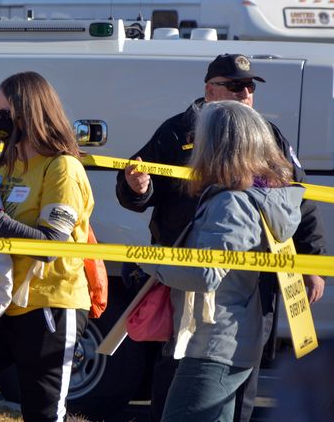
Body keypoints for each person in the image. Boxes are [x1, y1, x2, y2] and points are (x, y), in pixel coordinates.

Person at [116, 53, 327, 421]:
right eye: (235, 86)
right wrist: (138, 189)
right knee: (176, 380)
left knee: (227, 395)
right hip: (194, 296)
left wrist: (311, 260)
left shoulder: (264, 137)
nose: (245, 92)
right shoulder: (177, 131)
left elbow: (298, 198)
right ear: (210, 89)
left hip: (229, 298)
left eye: (249, 86)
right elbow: (134, 187)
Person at [0, 71, 94, 422]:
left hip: (51, 304)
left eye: (4, 112)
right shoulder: (7, 164)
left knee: (42, 412)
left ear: (30, 113)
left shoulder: (63, 168)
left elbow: (52, 245)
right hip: (3, 302)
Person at [140, 100, 303, 422]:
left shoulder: (231, 202)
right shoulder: (259, 196)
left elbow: (204, 274)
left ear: (217, 145)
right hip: (231, 337)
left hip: (214, 343)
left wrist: (147, 261)